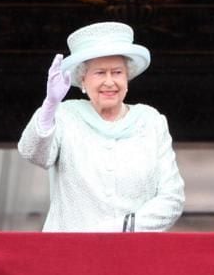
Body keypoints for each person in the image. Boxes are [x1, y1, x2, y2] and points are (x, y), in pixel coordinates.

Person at [18, 21, 184, 232]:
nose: (109, 82)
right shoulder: (65, 116)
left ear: (127, 78)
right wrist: (50, 106)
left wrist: (125, 227)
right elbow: (34, 154)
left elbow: (173, 197)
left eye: (117, 72)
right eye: (99, 73)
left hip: (133, 252)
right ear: (82, 80)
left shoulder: (151, 121)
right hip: (72, 254)